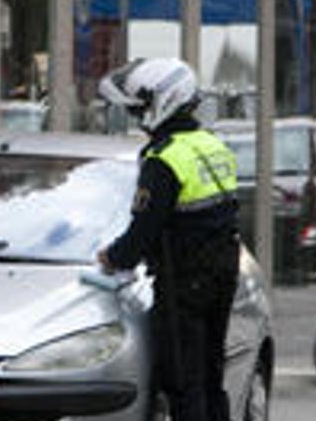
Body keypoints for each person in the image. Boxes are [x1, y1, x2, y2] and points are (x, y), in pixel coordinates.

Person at [95, 58, 239, 421]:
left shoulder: (164, 158)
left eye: (139, 108)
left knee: (182, 381)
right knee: (210, 375)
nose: (136, 117)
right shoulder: (212, 145)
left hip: (183, 282)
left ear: (162, 101)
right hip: (222, 273)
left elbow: (144, 230)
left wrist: (113, 257)